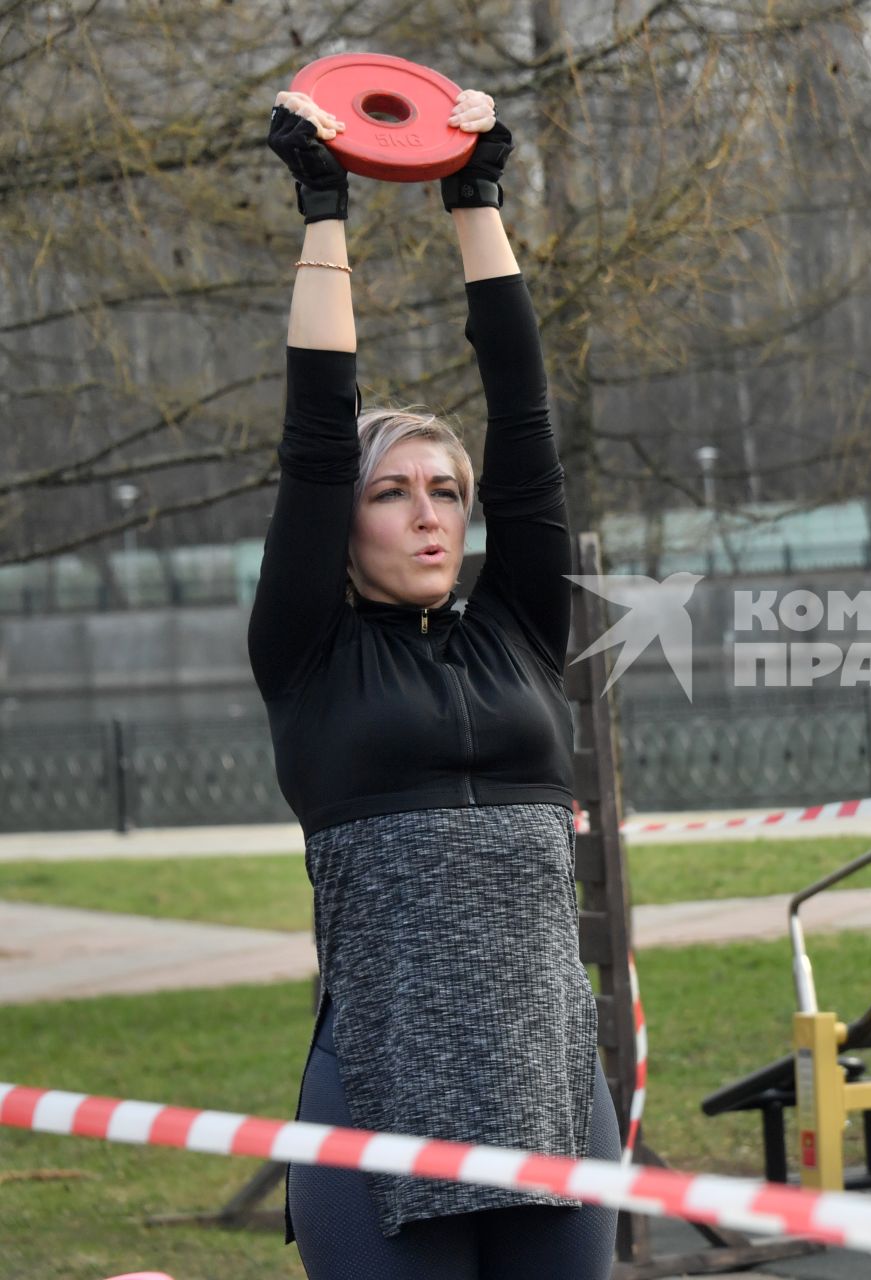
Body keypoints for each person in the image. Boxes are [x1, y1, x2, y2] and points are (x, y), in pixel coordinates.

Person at [251, 87, 620, 1278]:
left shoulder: (515, 625)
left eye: (446, 491)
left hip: (551, 1081)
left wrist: (475, 200)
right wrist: (326, 211)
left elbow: (525, 415)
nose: (429, 514)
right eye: (392, 490)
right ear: (342, 524)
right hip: (379, 1085)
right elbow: (317, 429)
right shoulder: (308, 650)